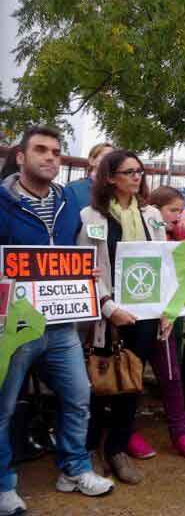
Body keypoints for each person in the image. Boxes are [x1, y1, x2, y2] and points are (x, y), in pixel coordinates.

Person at [0, 126, 114, 515]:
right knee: (5, 405)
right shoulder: (2, 203)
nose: (51, 157)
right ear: (20, 157)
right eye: (41, 150)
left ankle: (74, 469)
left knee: (78, 396)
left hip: (63, 325)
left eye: (56, 151)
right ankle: (3, 485)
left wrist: (88, 276)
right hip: (15, 328)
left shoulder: (69, 203)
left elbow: (80, 252)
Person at [78, 149, 169, 485]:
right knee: (99, 382)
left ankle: (117, 448)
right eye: (129, 171)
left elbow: (164, 261)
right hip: (108, 315)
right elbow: (87, 267)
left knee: (131, 381)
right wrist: (107, 307)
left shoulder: (152, 215)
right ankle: (89, 448)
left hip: (145, 313)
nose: (136, 177)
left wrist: (164, 310)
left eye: (140, 171)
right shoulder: (91, 217)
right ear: (110, 177)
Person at [131, 185, 185, 460]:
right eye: (172, 210)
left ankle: (181, 432)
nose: (178, 215)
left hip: (166, 318)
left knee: (172, 375)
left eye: (179, 209)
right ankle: (128, 431)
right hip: (137, 319)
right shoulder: (140, 231)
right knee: (132, 377)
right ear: (154, 210)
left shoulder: (178, 234)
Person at [66, 142, 114, 209]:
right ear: (92, 161)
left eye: (114, 158)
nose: (111, 161)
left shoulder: (119, 190)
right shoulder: (73, 188)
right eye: (106, 156)